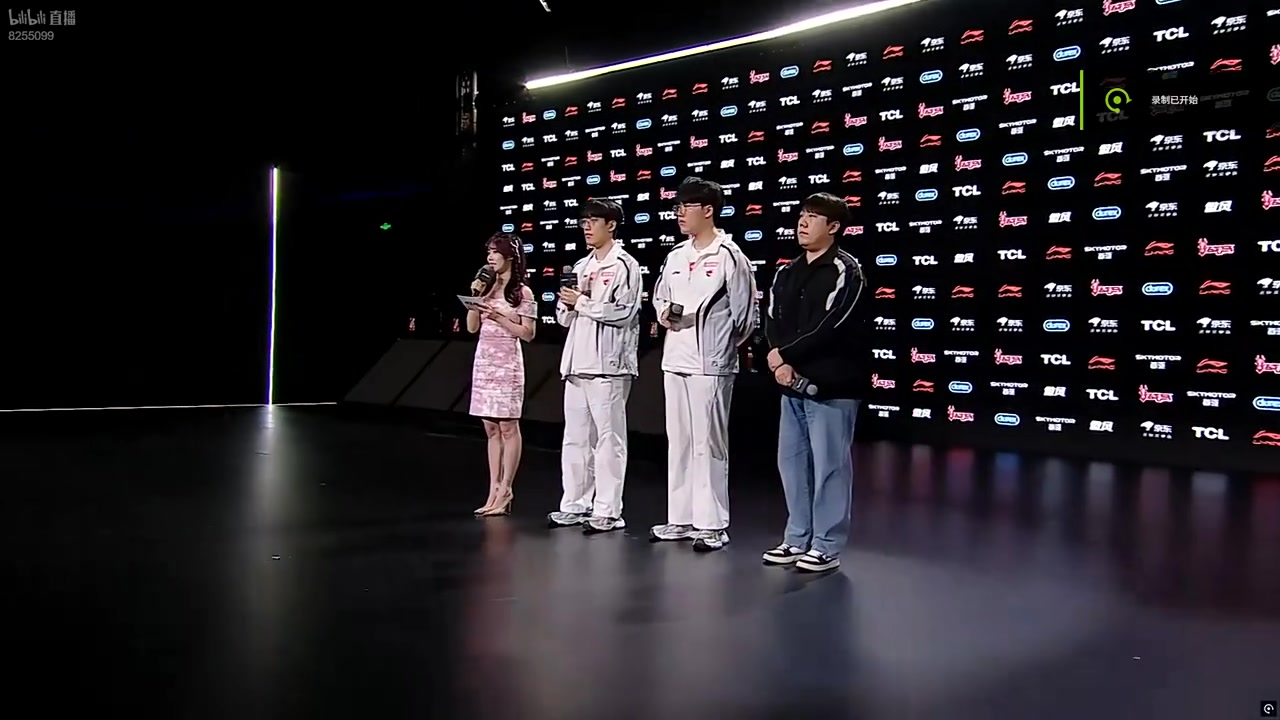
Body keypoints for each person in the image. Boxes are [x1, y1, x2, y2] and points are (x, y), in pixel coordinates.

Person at [649, 176, 758, 552]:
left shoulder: (730, 255)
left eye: (686, 206)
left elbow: (745, 316)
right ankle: (680, 518)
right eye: (677, 207)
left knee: (708, 444)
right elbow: (659, 297)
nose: (679, 213)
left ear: (708, 210)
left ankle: (712, 524)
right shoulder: (676, 255)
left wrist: (719, 345)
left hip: (710, 364)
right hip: (674, 358)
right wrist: (664, 314)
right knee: (679, 442)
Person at [760, 192, 867, 572]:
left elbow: (832, 325)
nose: (803, 223)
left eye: (814, 217)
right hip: (790, 386)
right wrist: (779, 360)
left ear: (834, 227)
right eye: (802, 215)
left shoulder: (846, 270)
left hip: (832, 386)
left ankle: (826, 545)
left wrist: (787, 357)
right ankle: (796, 538)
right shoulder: (786, 272)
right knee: (792, 466)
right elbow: (771, 320)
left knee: (829, 468)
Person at [548, 198, 643, 534]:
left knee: (609, 440)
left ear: (611, 225)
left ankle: (608, 511)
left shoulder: (626, 265)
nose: (586, 227)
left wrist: (583, 302)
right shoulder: (581, 265)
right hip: (577, 363)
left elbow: (624, 312)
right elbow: (564, 319)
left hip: (609, 366)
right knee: (575, 439)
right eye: (583, 221)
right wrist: (567, 303)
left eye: (593, 221)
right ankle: (575, 504)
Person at [466, 233, 538, 517]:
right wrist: (475, 300)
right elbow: (472, 327)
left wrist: (500, 318)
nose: (490, 257)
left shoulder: (522, 293)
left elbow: (528, 333)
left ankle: (506, 489)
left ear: (510, 256)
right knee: (491, 429)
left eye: (495, 252)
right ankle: (492, 490)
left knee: (508, 427)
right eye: (488, 252)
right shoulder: (485, 288)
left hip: (507, 362)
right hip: (484, 362)